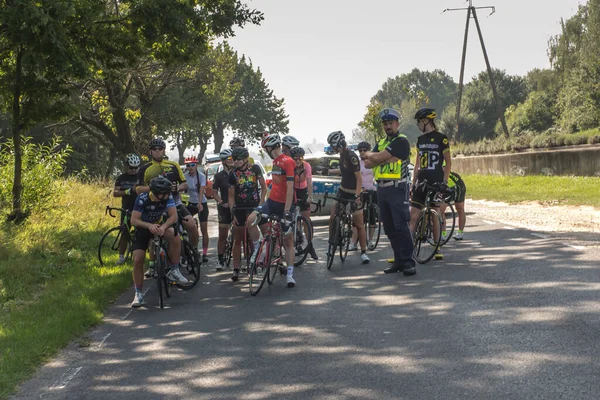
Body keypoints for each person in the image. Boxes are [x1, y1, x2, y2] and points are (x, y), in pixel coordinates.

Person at [361, 108, 415, 276]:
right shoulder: (383, 142)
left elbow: (373, 159)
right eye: (385, 124)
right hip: (382, 189)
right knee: (389, 228)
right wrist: (384, 157)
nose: (387, 126)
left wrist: (374, 156)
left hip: (397, 187)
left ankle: (408, 262)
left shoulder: (401, 141)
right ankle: (398, 260)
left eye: (390, 123)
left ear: (397, 124)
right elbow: (368, 164)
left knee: (401, 226)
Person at [136, 137, 198, 277]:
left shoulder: (173, 165)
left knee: (192, 225)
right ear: (150, 152)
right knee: (157, 235)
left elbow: (184, 184)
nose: (157, 152)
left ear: (164, 150)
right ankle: (156, 264)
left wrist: (177, 188)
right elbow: (138, 189)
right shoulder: (144, 168)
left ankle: (194, 251)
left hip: (174, 203)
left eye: (160, 149)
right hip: (153, 205)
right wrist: (155, 189)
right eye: (154, 149)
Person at [247, 133, 297, 288]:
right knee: (250, 220)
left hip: (285, 205)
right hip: (272, 201)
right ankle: (259, 249)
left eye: (266, 148)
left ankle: (290, 274)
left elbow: (290, 188)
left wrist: (287, 210)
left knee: (288, 240)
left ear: (273, 146)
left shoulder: (288, 162)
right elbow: (275, 184)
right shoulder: (275, 162)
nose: (265, 151)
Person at [129, 176, 188, 308]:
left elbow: (173, 216)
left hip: (160, 226)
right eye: (165, 193)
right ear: (157, 193)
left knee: (174, 235)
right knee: (138, 259)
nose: (168, 195)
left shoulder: (167, 197)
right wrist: (149, 226)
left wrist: (163, 226)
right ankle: (138, 294)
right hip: (143, 229)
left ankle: (174, 269)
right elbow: (134, 220)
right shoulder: (143, 199)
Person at [410, 108, 451, 261]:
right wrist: (413, 183)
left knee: (435, 214)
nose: (418, 125)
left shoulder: (442, 138)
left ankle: (436, 245)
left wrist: (444, 182)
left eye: (419, 122)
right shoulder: (420, 140)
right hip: (422, 180)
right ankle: (408, 247)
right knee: (413, 215)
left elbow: (448, 163)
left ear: (426, 121)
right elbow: (417, 164)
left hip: (436, 181)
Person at [324, 131, 370, 264]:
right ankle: (332, 242)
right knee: (333, 216)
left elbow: (359, 178)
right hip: (342, 190)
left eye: (333, 146)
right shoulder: (342, 155)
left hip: (354, 191)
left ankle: (363, 252)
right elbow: (344, 171)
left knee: (359, 224)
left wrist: (357, 196)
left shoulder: (352, 156)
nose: (332, 149)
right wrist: (330, 172)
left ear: (339, 145)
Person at [228, 146, 267, 281]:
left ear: (245, 159)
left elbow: (264, 187)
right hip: (240, 208)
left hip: (255, 206)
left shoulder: (255, 169)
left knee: (266, 231)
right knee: (237, 238)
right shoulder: (232, 174)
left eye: (239, 159)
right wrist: (232, 213)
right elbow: (231, 196)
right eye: (234, 159)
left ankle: (275, 261)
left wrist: (261, 204)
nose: (236, 161)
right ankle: (236, 268)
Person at [290, 146, 318, 260]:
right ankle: (294, 242)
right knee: (290, 219)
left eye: (300, 158)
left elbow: (309, 181)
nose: (297, 161)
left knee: (306, 221)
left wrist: (310, 197)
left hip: (303, 191)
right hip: (292, 190)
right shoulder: (290, 166)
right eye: (295, 158)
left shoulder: (306, 166)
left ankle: (310, 246)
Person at [113, 153, 141, 264]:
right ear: (126, 166)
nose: (134, 170)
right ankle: (121, 258)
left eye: (136, 168)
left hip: (139, 208)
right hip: (126, 208)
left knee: (141, 232)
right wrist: (127, 192)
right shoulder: (121, 178)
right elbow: (115, 193)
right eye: (131, 168)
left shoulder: (140, 177)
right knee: (124, 232)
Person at [350, 141, 377, 251]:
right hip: (360, 191)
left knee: (372, 216)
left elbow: (377, 175)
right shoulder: (357, 163)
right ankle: (353, 242)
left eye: (364, 150)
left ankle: (370, 241)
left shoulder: (373, 162)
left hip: (371, 191)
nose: (362, 152)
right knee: (357, 218)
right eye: (360, 150)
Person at [183, 155, 209, 263]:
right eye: (188, 165)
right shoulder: (184, 176)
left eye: (192, 165)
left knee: (204, 229)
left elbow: (201, 191)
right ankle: (193, 248)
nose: (190, 167)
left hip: (201, 202)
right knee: (189, 227)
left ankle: (204, 253)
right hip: (189, 203)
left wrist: (199, 203)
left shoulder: (201, 176)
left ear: (196, 165)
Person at [213, 148, 234, 271]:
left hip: (236, 207)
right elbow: (214, 192)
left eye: (233, 158)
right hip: (224, 207)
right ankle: (220, 258)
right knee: (223, 235)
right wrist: (221, 202)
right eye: (229, 159)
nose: (232, 161)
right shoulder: (219, 176)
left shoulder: (237, 173)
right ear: (223, 161)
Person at [440, 171, 467, 240]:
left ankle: (460, 232)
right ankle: (443, 233)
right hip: (444, 185)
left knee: (459, 208)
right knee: (440, 210)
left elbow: (444, 170)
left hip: (456, 185)